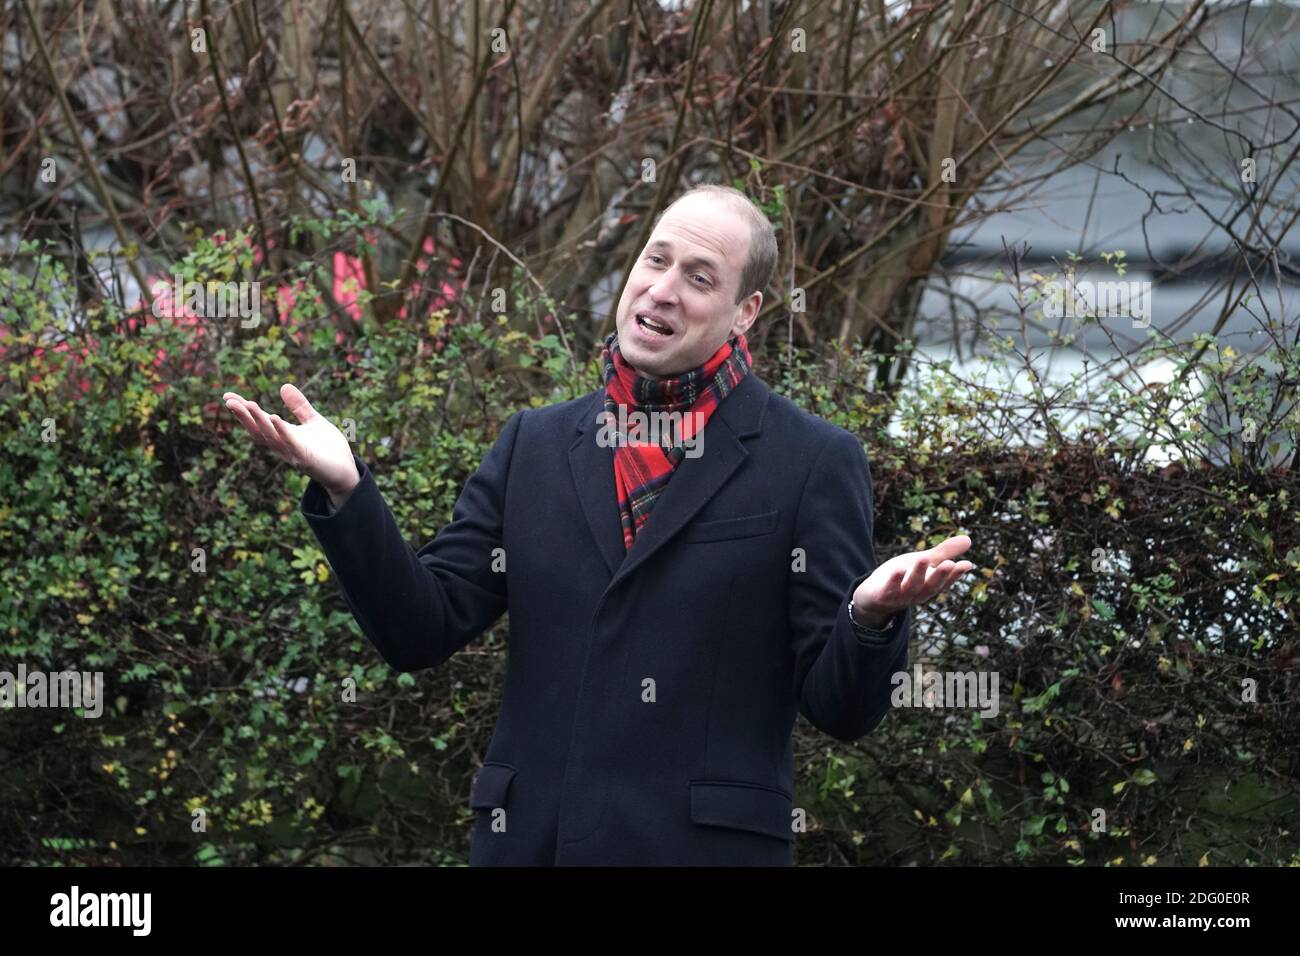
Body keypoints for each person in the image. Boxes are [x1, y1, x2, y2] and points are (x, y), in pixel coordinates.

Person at [221, 184, 974, 866]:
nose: (663, 289)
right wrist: (349, 489)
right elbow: (422, 627)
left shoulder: (811, 460)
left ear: (747, 311)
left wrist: (869, 617)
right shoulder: (535, 445)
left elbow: (839, 707)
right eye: (657, 260)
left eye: (701, 277)